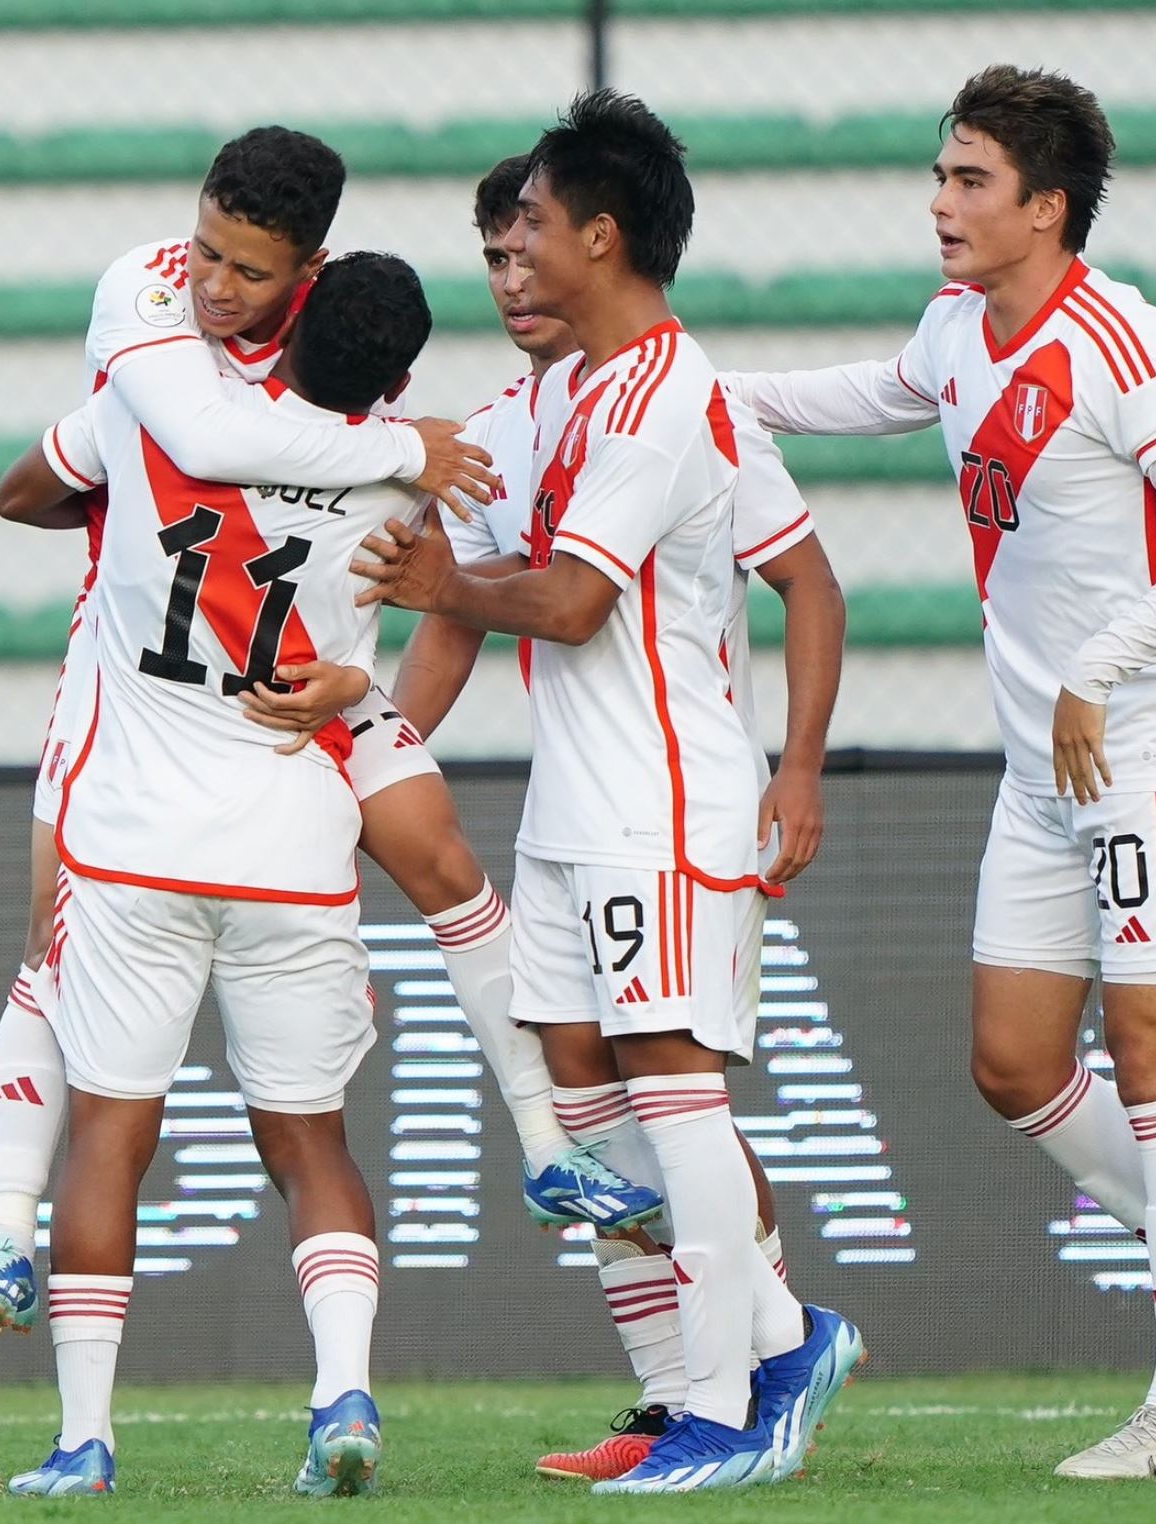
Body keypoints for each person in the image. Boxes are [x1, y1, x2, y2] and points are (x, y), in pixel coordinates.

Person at [0, 126, 659, 1341]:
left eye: (249, 271)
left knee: (447, 867)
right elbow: (144, 460)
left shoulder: (352, 351)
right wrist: (404, 455)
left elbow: (370, 581)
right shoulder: (152, 309)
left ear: (312, 270)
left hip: (300, 701)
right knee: (48, 939)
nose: (215, 287)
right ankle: (5, 1234)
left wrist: (356, 684)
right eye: (207, 253)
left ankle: (547, 1146)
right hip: (134, 695)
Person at [721, 64, 1156, 1480]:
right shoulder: (956, 329)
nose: (940, 202)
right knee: (1013, 1063)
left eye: (970, 180)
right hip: (1042, 765)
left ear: (1045, 207)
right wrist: (680, 385)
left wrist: (1096, 666)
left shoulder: (1127, 349)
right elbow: (865, 390)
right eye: (942, 174)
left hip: (1150, 748)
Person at [353, 91, 855, 1495]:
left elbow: (566, 604)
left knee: (671, 1091)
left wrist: (798, 762)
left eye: (526, 235)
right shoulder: (533, 409)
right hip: (574, 804)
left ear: (597, 233)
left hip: (670, 798)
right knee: (584, 1103)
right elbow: (462, 612)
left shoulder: (671, 400)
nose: (506, 263)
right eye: (497, 244)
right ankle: (727, 1359)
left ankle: (733, 1405)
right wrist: (381, 744)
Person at [7, 252, 454, 1500]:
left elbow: (19, 494)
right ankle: (345, 1396)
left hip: (141, 843)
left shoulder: (149, 421)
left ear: (291, 307)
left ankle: (85, 1440)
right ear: (399, 379)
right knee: (311, 1143)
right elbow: (380, 653)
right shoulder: (391, 487)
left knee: (109, 1134)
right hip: (291, 849)